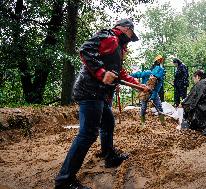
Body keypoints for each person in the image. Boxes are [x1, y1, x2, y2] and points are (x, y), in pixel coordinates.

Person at [54, 19, 148, 189]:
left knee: (108, 122)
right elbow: (85, 49)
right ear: (126, 29)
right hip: (89, 90)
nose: (130, 39)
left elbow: (119, 73)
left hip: (100, 94)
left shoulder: (118, 47)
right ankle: (64, 180)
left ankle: (109, 156)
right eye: (130, 34)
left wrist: (138, 84)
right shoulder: (110, 37)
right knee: (88, 133)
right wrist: (101, 72)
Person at [131, 55, 166, 127]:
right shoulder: (148, 73)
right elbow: (138, 74)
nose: (154, 78)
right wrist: (129, 75)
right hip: (145, 92)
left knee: (159, 107)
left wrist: (153, 96)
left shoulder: (159, 79)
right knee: (143, 108)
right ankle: (142, 123)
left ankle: (163, 122)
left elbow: (157, 89)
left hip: (153, 93)